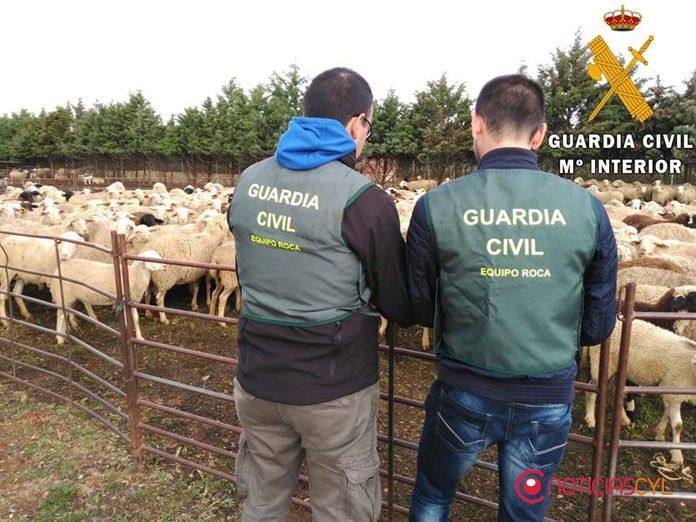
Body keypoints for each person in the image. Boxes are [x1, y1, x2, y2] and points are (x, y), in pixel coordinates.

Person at [407, 75, 618, 521]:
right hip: (547, 397)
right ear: (540, 133)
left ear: (475, 124)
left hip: (464, 390)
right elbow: (598, 326)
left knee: (432, 496)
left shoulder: (436, 205)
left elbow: (419, 306)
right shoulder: (587, 209)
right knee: (523, 513)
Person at [227, 67, 411, 521]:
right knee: (343, 508)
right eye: (369, 125)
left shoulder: (249, 181)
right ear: (356, 125)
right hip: (333, 389)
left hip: (257, 379)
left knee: (263, 501)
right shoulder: (364, 199)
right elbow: (398, 302)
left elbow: (247, 266)